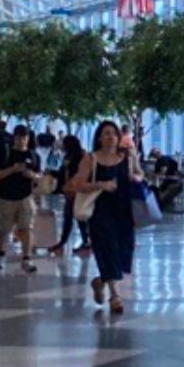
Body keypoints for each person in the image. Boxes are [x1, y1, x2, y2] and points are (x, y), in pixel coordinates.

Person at [71, 120, 141, 314]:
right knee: (108, 250)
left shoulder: (127, 157)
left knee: (122, 254)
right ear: (99, 138)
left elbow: (139, 175)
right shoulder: (90, 159)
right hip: (101, 213)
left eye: (114, 134)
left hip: (124, 212)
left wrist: (137, 178)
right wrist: (100, 185)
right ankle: (115, 296)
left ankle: (100, 281)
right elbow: (78, 184)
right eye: (106, 133)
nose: (111, 137)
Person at [0, 127, 42, 273]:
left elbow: (39, 175)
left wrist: (31, 175)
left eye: (25, 138)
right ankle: (1, 254)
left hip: (25, 197)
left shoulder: (33, 155)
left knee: (26, 228)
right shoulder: (5, 154)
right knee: (5, 229)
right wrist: (12, 170)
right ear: (14, 138)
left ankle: (27, 258)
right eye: (19, 138)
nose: (22, 141)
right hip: (6, 197)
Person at [61, 135, 90, 258]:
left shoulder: (80, 156)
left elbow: (80, 173)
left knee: (76, 216)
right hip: (69, 190)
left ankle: (84, 241)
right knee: (71, 216)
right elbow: (63, 171)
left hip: (77, 190)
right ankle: (66, 241)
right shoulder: (68, 156)